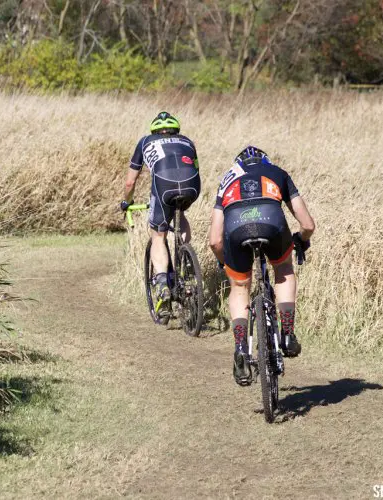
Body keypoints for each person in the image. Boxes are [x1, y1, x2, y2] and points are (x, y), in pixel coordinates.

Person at [209, 146, 315, 385]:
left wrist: (224, 260)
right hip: (272, 223)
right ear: (264, 160)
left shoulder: (226, 180)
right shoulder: (278, 172)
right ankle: (287, 334)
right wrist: (301, 240)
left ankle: (241, 350)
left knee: (239, 287)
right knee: (284, 270)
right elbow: (307, 224)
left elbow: (215, 240)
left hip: (235, 228)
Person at [120, 112, 201, 317]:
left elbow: (130, 182)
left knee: (158, 235)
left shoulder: (145, 141)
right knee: (180, 215)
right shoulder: (187, 141)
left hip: (164, 187)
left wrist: (126, 202)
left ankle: (163, 283)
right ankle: (185, 259)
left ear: (154, 130)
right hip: (192, 186)